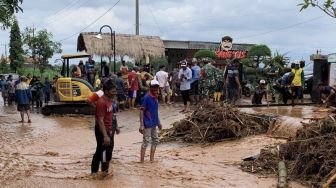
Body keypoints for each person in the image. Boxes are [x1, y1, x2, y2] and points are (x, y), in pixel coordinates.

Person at [91, 79, 120, 175]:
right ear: (106, 91)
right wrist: (105, 136)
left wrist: (116, 127)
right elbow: (100, 120)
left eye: (115, 91)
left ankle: (97, 173)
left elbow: (112, 115)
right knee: (103, 153)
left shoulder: (110, 100)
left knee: (106, 152)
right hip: (102, 131)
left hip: (109, 129)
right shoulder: (101, 102)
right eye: (113, 91)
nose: (115, 93)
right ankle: (102, 175)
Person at [139, 79, 162, 163]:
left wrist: (159, 122)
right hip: (147, 123)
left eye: (157, 87)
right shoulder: (146, 97)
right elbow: (141, 111)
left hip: (154, 122)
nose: (156, 89)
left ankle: (151, 159)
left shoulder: (155, 96)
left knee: (155, 140)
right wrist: (141, 125)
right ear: (150, 87)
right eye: (154, 87)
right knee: (146, 141)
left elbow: (155, 111)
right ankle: (142, 161)